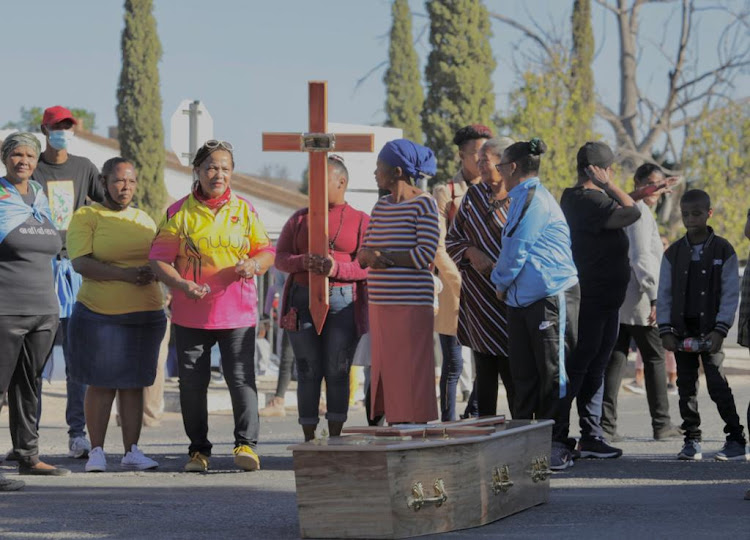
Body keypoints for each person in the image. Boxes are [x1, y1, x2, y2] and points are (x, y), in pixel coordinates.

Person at [149, 139, 275, 472]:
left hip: (238, 313)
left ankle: (246, 445)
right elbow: (158, 260)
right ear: (198, 170)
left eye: (225, 168)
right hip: (192, 315)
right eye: (211, 167)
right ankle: (198, 451)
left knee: (241, 380)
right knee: (191, 385)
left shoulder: (245, 210)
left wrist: (254, 265)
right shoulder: (178, 212)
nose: (218, 174)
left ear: (232, 172)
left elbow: (266, 251)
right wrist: (180, 284)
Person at [66, 157, 166, 472]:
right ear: (104, 182)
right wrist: (126, 276)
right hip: (100, 313)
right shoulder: (87, 216)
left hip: (146, 313)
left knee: (135, 383)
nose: (126, 187)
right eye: (119, 180)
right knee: (102, 382)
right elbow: (80, 262)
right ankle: (96, 450)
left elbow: (159, 259)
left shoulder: (145, 219)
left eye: (132, 181)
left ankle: (132, 450)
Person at [489, 138, 580, 470]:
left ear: (512, 168)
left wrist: (498, 284)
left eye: (500, 167)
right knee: (523, 375)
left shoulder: (533, 199)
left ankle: (556, 443)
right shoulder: (517, 199)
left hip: (549, 296)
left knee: (552, 373)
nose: (498, 173)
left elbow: (515, 250)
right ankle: (525, 441)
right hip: (522, 300)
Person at [275, 155, 369, 440]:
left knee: (337, 370)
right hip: (302, 300)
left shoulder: (361, 219)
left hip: (343, 301)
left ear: (341, 182)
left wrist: (336, 267)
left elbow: (366, 265)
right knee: (307, 370)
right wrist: (303, 261)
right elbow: (280, 258)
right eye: (311, 180)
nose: (313, 186)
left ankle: (336, 436)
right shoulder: (299, 218)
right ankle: (308, 437)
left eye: (321, 180)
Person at [559, 141, 642, 461]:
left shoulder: (587, 199)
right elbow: (630, 214)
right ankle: (558, 435)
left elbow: (620, 207)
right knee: (581, 366)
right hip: (591, 298)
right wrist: (613, 186)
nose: (612, 175)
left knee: (596, 366)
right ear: (599, 170)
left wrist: (642, 191)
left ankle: (591, 436)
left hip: (607, 298)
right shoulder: (586, 199)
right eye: (609, 170)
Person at [32, 105, 103, 459]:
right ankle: (28, 437)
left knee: (78, 357)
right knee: (35, 357)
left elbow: (107, 208)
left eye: (68, 126)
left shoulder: (84, 168)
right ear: (44, 129)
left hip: (74, 269)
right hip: (39, 269)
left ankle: (78, 433)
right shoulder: (32, 168)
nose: (63, 131)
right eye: (57, 126)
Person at [657, 189, 747, 461]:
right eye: (685, 214)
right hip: (681, 332)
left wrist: (721, 328)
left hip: (711, 332)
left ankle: (735, 438)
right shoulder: (673, 252)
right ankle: (691, 439)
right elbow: (664, 293)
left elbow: (731, 292)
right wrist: (665, 329)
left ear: (709, 213)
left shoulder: (723, 249)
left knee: (718, 384)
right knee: (686, 388)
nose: (690, 219)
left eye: (696, 213)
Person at [0, 132, 69, 479]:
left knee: (29, 385)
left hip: (44, 310)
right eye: (16, 154)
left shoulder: (42, 199)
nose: (23, 160)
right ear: (4, 158)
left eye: (29, 155)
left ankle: (28, 454)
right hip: (5, 309)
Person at [358, 139, 440, 424]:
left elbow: (425, 254)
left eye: (379, 167)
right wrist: (368, 254)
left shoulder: (424, 204)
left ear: (397, 171)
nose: (375, 173)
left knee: (411, 368)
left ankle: (414, 426)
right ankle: (394, 421)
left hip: (411, 304)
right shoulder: (380, 206)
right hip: (381, 303)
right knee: (388, 369)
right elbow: (365, 250)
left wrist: (385, 257)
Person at [601, 163, 681, 441]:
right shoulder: (640, 212)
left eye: (659, 185)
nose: (655, 190)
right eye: (650, 183)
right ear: (637, 182)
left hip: (621, 297)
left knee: (616, 359)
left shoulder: (629, 208)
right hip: (640, 300)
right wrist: (656, 295)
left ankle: (606, 427)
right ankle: (662, 424)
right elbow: (640, 258)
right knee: (655, 358)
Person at [445, 136, 516, 417]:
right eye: (479, 161)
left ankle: (523, 435)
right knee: (484, 371)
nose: (480, 166)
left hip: (512, 298)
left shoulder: (520, 198)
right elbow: (452, 241)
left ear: (505, 163)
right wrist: (472, 252)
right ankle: (486, 433)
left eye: (485, 161)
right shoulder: (473, 197)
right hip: (478, 300)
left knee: (514, 374)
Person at [433, 124, 493, 420]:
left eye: (487, 154)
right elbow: (438, 243)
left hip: (489, 286)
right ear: (461, 155)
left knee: (489, 357)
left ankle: (473, 415)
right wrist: (454, 277)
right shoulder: (447, 192)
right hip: (455, 287)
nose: (482, 160)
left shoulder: (498, 189)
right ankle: (448, 423)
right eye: (476, 154)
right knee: (454, 363)